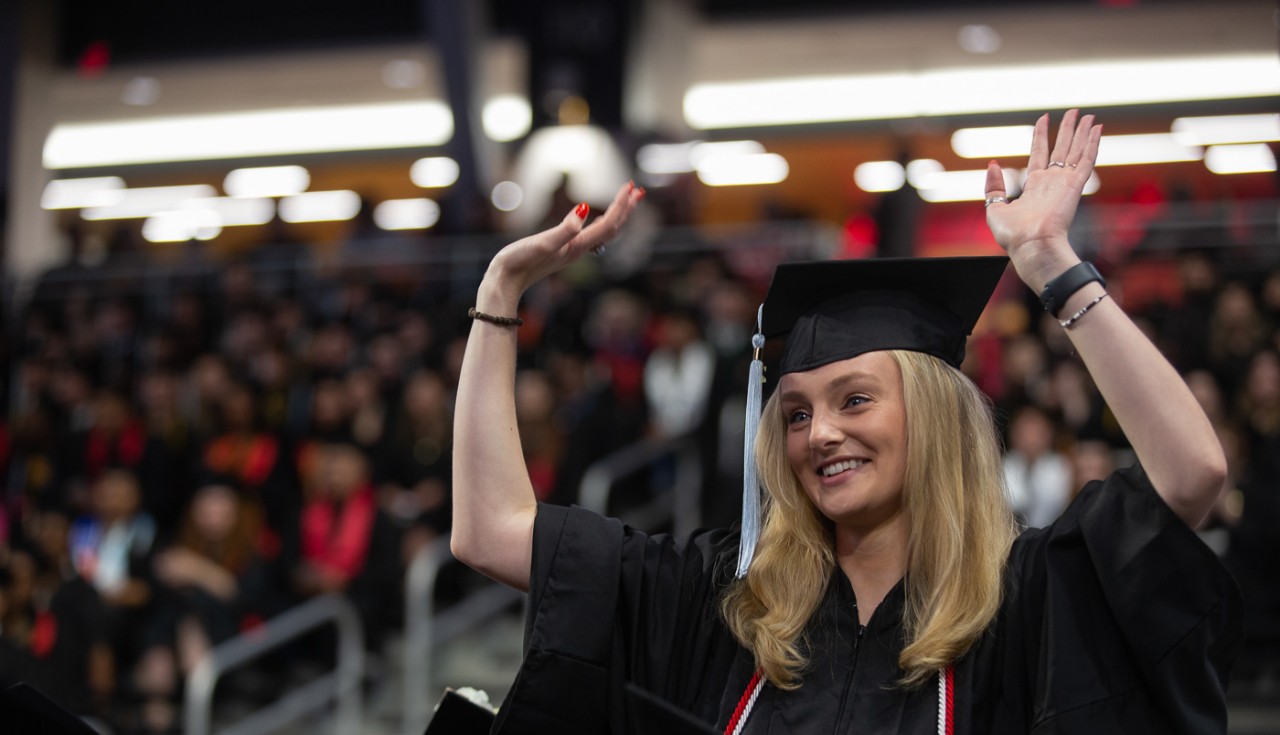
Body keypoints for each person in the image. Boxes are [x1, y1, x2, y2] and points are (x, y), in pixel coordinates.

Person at [450, 113, 1242, 733]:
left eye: (854, 399)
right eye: (795, 413)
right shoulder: (724, 600)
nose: (818, 432)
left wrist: (1051, 266)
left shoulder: (1028, 598)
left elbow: (1192, 473)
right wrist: (499, 293)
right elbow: (490, 530)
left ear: (932, 416)